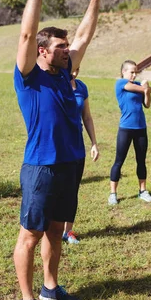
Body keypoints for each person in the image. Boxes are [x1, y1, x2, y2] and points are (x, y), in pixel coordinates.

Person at [12, 0, 108, 300]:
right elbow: (25, 32)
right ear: (42, 51)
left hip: (71, 163)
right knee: (31, 234)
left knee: (56, 230)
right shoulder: (29, 76)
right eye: (61, 47)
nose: (68, 51)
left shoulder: (69, 73)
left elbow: (85, 34)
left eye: (68, 48)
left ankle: (51, 286)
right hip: (42, 166)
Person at [108, 60, 151, 205]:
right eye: (131, 72)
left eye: (136, 72)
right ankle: (113, 194)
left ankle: (143, 191)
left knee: (141, 160)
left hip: (141, 128)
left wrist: (149, 91)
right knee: (119, 161)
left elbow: (147, 104)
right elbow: (141, 89)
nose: (134, 75)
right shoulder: (121, 83)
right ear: (123, 72)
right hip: (126, 128)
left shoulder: (139, 85)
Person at [63, 68, 100, 245]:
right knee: (56, 191)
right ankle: (51, 229)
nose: (74, 71)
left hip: (77, 147)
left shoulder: (82, 87)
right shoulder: (56, 85)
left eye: (76, 67)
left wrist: (93, 143)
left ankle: (67, 231)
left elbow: (87, 117)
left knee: (72, 190)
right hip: (57, 146)